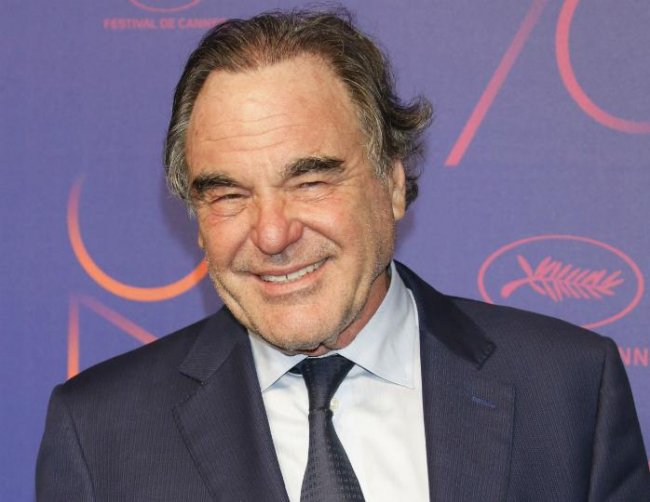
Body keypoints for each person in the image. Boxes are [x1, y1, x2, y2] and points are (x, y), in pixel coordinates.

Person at [36, 9, 648, 501]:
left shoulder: (568, 389)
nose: (272, 234)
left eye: (310, 181)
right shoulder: (100, 433)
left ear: (392, 185)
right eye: (228, 195)